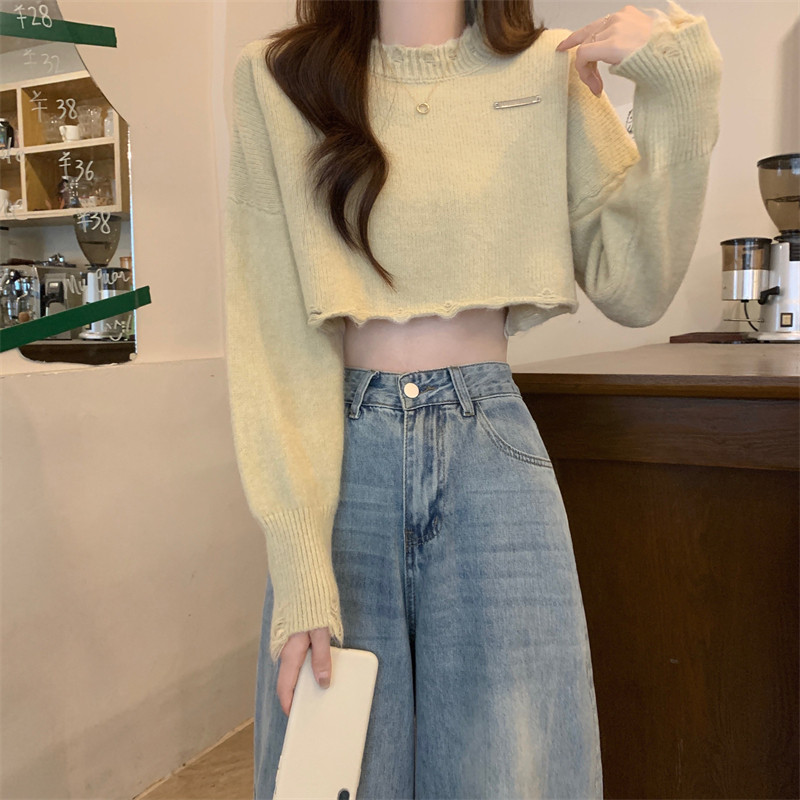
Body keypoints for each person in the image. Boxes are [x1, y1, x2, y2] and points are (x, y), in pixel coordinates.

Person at [222, 0, 722, 796]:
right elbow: (273, 331)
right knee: (335, 773)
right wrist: (299, 561)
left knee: (512, 770)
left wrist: (679, 87)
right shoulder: (278, 80)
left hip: (490, 453)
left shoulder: (546, 68)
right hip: (342, 466)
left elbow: (635, 282)